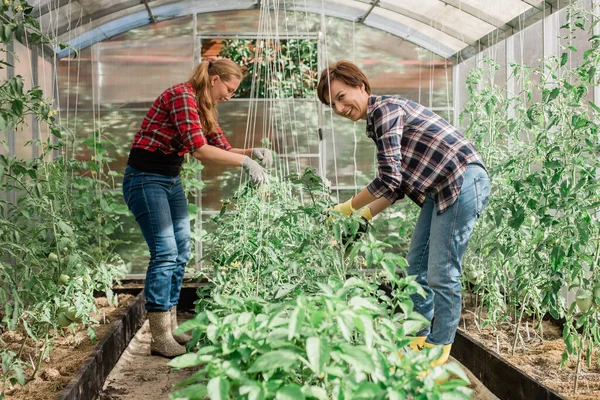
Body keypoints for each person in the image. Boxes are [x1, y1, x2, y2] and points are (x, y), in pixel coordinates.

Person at [317, 60, 490, 366]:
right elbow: (396, 187)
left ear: (361, 86)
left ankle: (439, 348)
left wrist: (344, 209)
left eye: (342, 97)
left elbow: (388, 180)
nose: (340, 108)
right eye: (333, 104)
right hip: (440, 189)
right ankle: (415, 337)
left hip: (463, 179)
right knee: (416, 268)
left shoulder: (385, 110)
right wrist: (364, 217)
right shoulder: (379, 121)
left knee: (442, 271)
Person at [123, 58, 272, 358]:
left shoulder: (204, 107)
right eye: (229, 89)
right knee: (165, 252)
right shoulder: (182, 96)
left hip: (169, 179)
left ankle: (172, 327)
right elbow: (201, 150)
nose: (229, 96)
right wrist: (246, 163)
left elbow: (221, 150)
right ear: (214, 79)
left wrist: (251, 152)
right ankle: (160, 336)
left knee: (182, 251)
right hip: (145, 179)